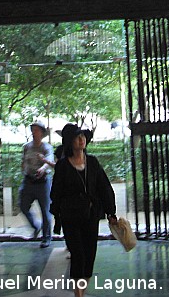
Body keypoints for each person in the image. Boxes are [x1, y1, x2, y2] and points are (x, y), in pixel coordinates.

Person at [50, 123, 117, 297]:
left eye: (83, 136)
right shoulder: (63, 166)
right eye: (77, 137)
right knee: (78, 255)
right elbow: (55, 192)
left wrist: (111, 212)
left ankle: (81, 289)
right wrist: (57, 215)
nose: (81, 139)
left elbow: (104, 187)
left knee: (89, 256)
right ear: (70, 142)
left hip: (91, 215)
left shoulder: (92, 162)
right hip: (70, 216)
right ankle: (78, 294)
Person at [19, 120, 55, 248]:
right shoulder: (27, 146)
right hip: (28, 180)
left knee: (45, 210)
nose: (34, 133)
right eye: (33, 130)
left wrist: (43, 168)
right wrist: (24, 167)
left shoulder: (46, 147)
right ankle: (36, 226)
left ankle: (46, 237)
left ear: (42, 133)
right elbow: (23, 160)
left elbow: (50, 159)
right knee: (23, 205)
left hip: (42, 182)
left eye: (37, 130)